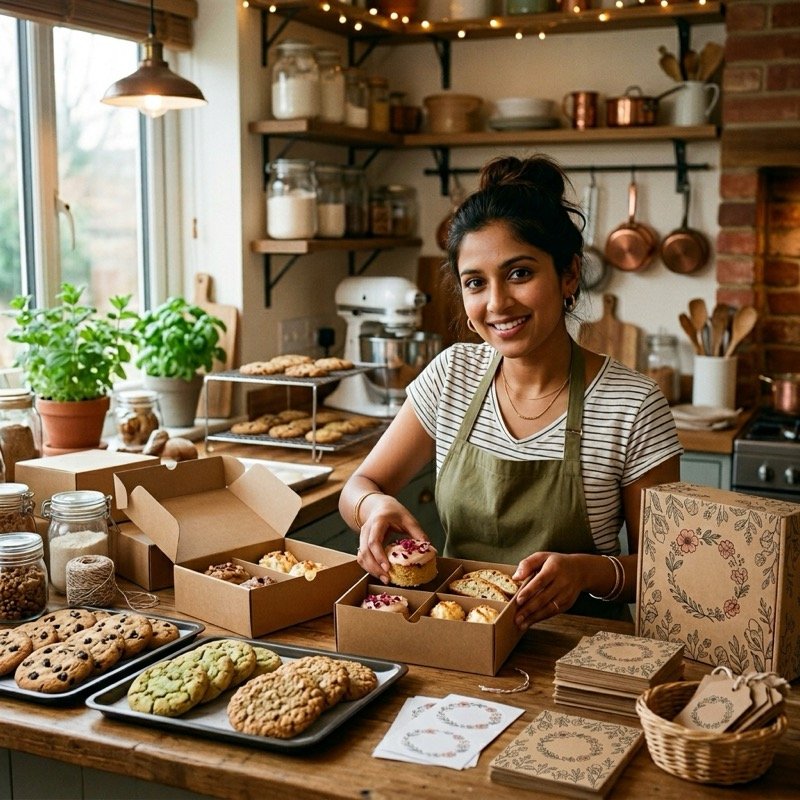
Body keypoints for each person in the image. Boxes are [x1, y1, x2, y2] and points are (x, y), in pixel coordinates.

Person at [339, 154, 682, 627]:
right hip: (458, 638)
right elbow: (359, 485)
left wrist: (587, 572)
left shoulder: (633, 405)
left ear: (568, 275)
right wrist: (372, 506)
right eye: (475, 283)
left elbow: (665, 573)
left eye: (520, 273)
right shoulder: (451, 376)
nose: (497, 303)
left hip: (577, 653)